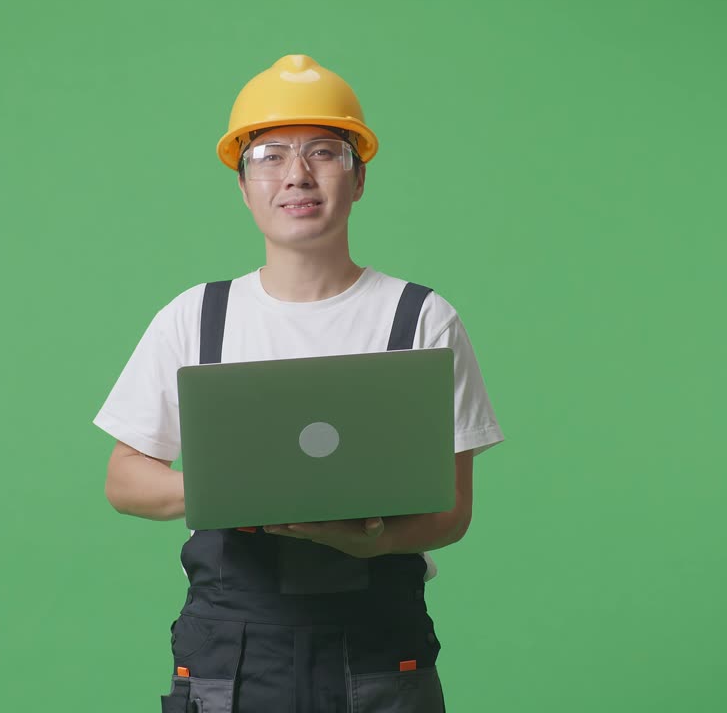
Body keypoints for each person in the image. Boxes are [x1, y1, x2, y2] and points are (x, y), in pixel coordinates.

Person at [93, 54, 504, 712]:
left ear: (360, 177)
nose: (296, 175)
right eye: (269, 156)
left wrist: (371, 539)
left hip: (379, 655)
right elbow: (124, 478)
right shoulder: (199, 317)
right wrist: (234, 488)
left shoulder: (421, 318)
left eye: (325, 152)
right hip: (232, 654)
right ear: (243, 185)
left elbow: (452, 510)